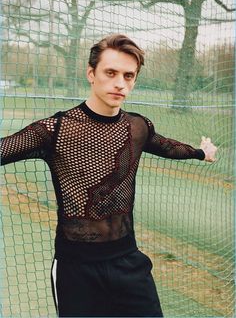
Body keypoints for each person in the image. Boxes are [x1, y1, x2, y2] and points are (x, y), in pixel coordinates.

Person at [1, 34, 217, 317]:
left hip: (128, 262)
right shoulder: (54, 130)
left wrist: (202, 153)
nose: (120, 83)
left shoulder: (138, 127)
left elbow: (167, 146)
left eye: (129, 75)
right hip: (76, 269)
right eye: (111, 73)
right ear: (91, 74)